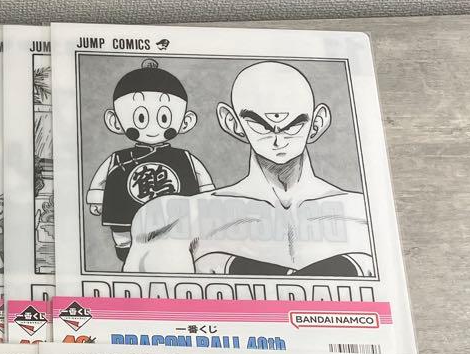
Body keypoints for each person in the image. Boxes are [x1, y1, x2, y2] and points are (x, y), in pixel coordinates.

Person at [130, 61, 371, 275]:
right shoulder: (177, 217)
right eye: (261, 125)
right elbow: (155, 306)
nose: (278, 140)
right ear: (232, 122)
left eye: (293, 126)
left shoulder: (365, 213)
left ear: (317, 123)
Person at [86, 59, 212, 268]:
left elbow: (203, 179)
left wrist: (207, 199)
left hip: (174, 216)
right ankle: (125, 247)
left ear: (186, 121)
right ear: (114, 121)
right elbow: (101, 180)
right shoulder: (118, 158)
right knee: (123, 231)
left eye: (163, 118)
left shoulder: (184, 158)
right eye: (141, 118)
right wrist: (97, 199)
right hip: (126, 209)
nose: (152, 128)